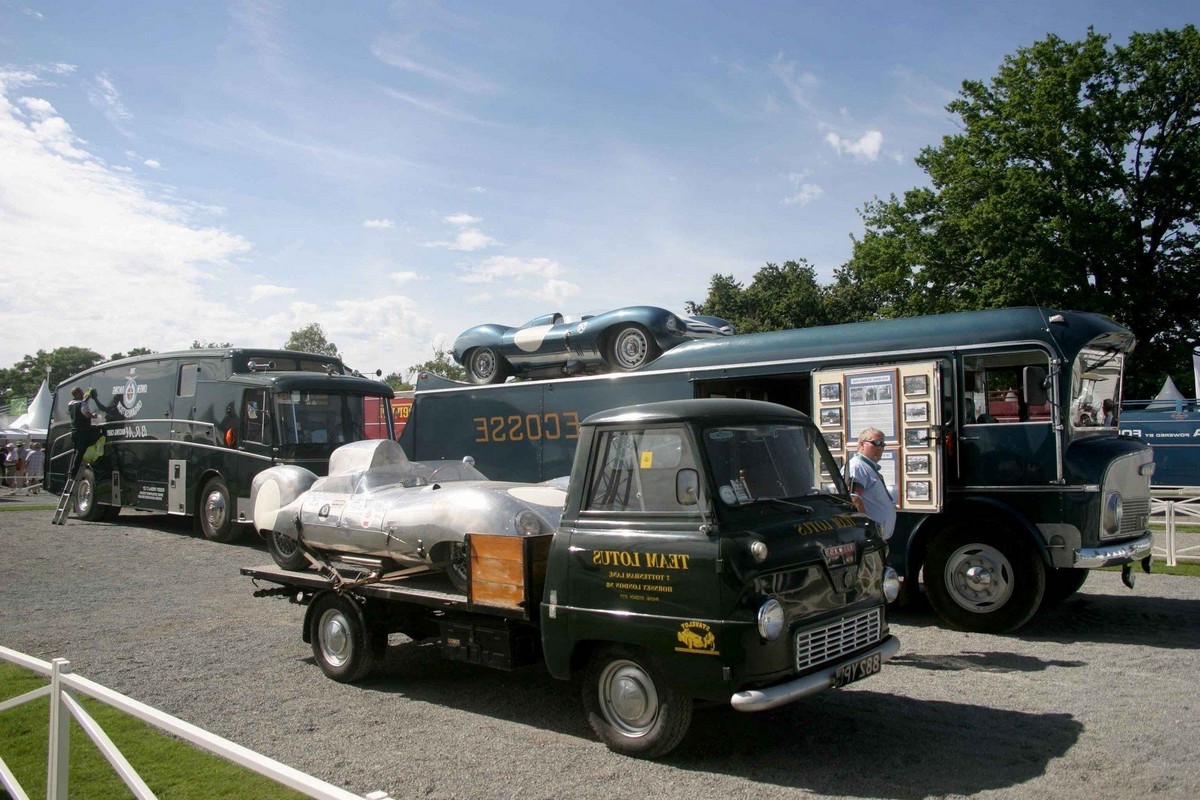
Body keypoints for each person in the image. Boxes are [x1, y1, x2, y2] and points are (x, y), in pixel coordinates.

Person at [847, 427, 897, 541]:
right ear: (861, 444)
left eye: (882, 444)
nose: (880, 448)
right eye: (876, 443)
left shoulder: (867, 467)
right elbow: (854, 499)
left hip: (878, 538)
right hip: (869, 539)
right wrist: (867, 530)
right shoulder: (857, 467)